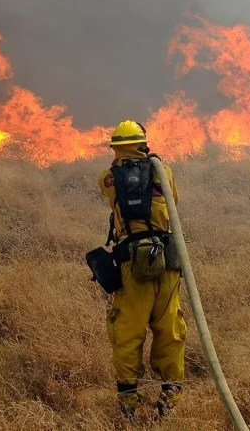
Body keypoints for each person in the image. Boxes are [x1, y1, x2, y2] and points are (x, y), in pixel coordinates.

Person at [97, 120, 187, 420]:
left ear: (116, 148)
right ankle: (169, 401)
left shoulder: (107, 179)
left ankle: (129, 407)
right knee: (170, 330)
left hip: (130, 267)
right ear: (143, 143)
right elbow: (172, 203)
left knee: (127, 332)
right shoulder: (165, 172)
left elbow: (115, 203)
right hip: (167, 267)